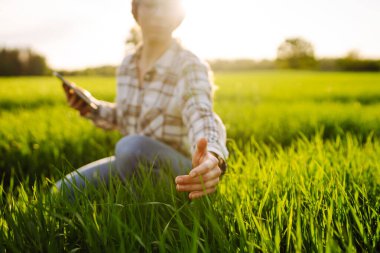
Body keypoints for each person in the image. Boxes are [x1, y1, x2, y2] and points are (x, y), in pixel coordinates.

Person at [55, 0, 228, 200]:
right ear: (136, 11)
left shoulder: (189, 64)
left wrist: (211, 155)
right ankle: (135, 201)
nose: (159, 14)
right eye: (151, 5)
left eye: (167, 6)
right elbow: (124, 116)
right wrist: (91, 107)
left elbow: (200, 112)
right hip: (133, 161)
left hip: (183, 173)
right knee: (59, 193)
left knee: (129, 147)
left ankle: (160, 213)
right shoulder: (128, 64)